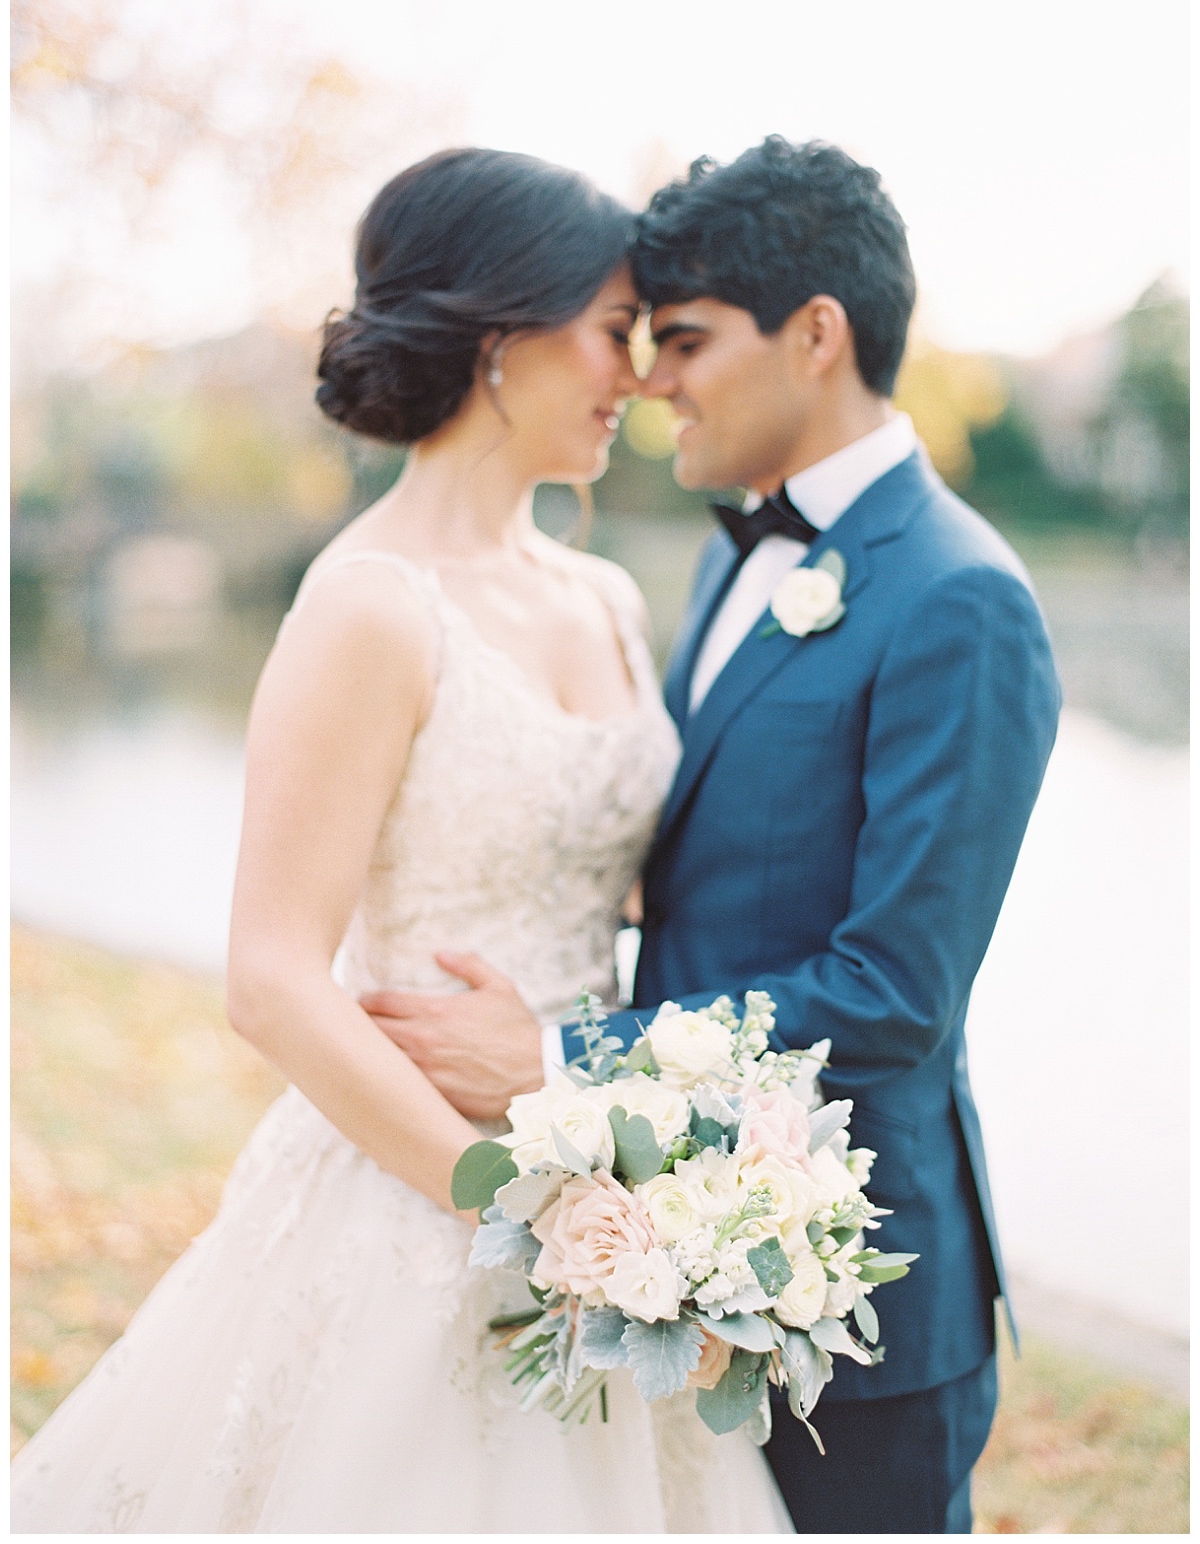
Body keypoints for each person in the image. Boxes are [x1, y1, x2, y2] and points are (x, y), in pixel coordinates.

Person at [10, 148, 792, 1534]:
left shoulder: (606, 597)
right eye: (615, 332)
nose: (641, 374)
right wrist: (515, 1202)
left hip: (617, 1175)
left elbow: (625, 886)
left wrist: (642, 1147)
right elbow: (269, 976)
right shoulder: (370, 606)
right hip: (417, 1194)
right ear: (502, 338)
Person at [364, 138, 1062, 1534]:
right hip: (665, 1260)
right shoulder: (722, 556)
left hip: (856, 1300)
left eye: (682, 339)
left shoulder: (962, 602)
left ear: (817, 336)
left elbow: (895, 995)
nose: (648, 376)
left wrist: (563, 1061)